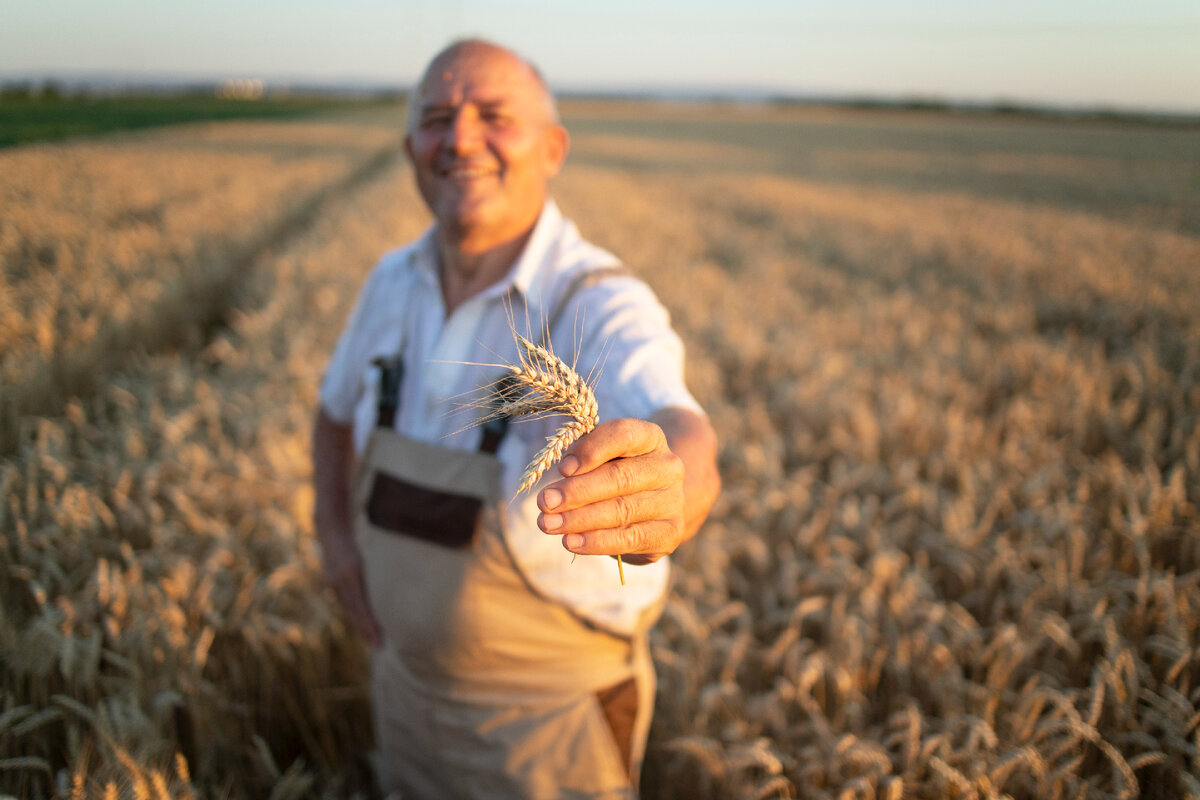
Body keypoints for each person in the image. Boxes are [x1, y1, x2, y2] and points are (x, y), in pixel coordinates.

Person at [312, 38, 720, 799]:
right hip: (398, 693)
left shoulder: (595, 302)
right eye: (437, 119)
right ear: (410, 148)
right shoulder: (389, 282)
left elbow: (682, 432)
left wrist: (671, 490)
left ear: (553, 148)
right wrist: (333, 533)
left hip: (548, 728)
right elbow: (334, 413)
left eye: (493, 116)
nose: (460, 139)